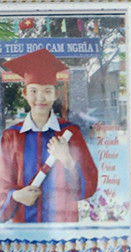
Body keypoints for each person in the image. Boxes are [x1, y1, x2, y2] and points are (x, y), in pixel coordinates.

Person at [0, 49, 98, 224]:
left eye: (47, 91)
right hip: (24, 230)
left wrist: (67, 160)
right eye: (33, 91)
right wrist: (16, 196)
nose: (40, 97)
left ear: (56, 94)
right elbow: (2, 183)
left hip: (62, 229)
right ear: (24, 94)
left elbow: (88, 187)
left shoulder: (70, 133)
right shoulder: (12, 136)